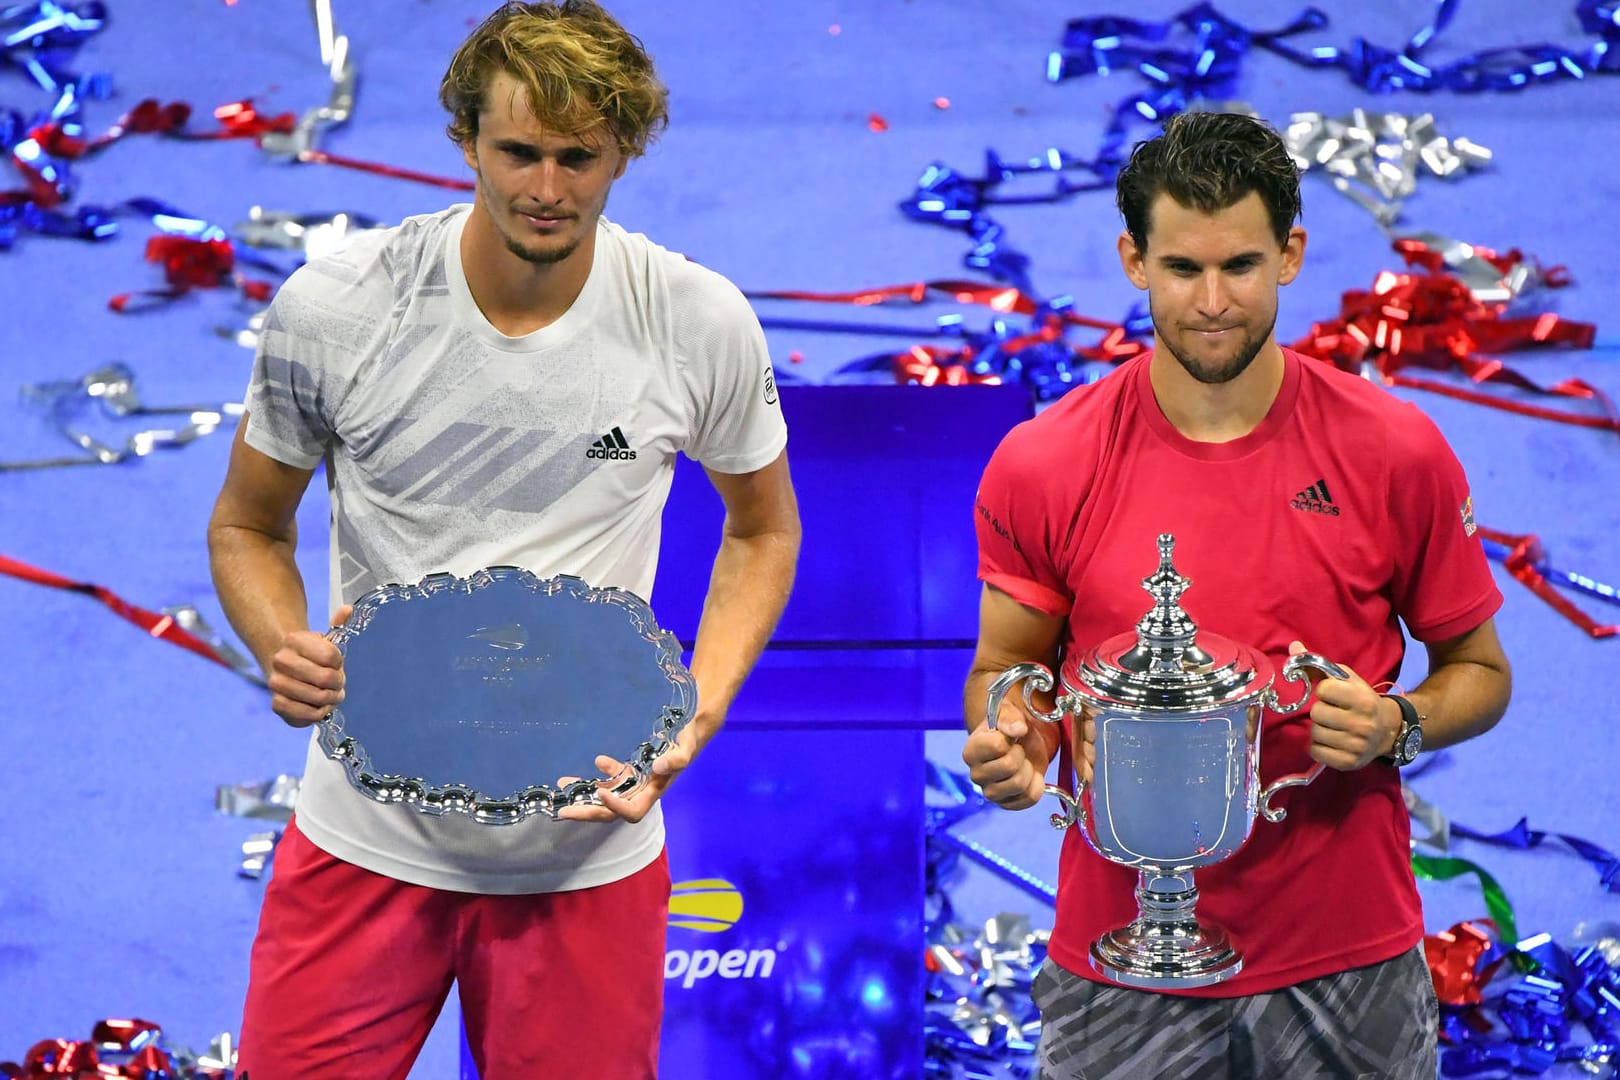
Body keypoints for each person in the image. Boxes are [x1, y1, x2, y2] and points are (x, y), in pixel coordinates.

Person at [206, 3, 801, 1077]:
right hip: (363, 838)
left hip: (587, 855)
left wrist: (693, 712)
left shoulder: (696, 319)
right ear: (464, 140)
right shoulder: (336, 309)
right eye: (518, 151)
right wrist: (278, 640)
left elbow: (763, 532)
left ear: (626, 148)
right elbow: (249, 523)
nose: (545, 188)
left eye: (579, 157)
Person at [961, 110, 1511, 1080]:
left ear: (1291, 254)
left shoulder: (1395, 452)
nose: (1213, 302)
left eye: (1242, 267)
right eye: (1182, 270)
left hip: (1350, 956)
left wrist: (1398, 723)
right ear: (1133, 261)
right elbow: (1007, 669)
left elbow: (1479, 672)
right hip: (1120, 961)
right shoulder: (1043, 464)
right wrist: (1014, 744)